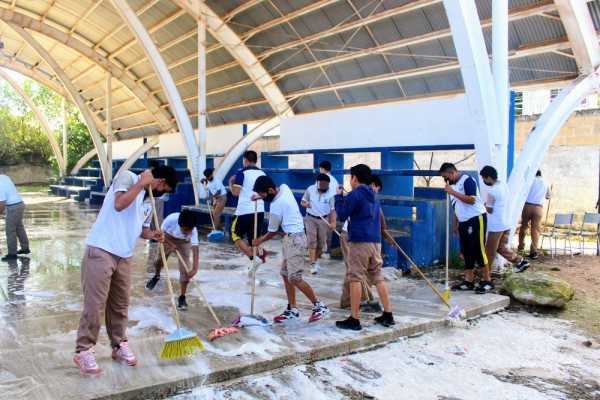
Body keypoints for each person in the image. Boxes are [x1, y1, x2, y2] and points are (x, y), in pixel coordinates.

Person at [73, 165, 177, 375]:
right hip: (101, 249)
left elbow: (142, 230)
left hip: (124, 255)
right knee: (95, 304)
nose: (160, 193)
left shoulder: (148, 200)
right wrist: (141, 184)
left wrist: (153, 235)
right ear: (161, 181)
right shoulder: (128, 177)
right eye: (163, 189)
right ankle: (83, 350)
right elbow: (119, 204)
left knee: (120, 305)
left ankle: (119, 345)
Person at [252, 175, 329, 323]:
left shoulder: (276, 205)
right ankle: (292, 309)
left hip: (296, 240)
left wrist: (258, 241)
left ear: (270, 190)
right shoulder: (284, 188)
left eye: (263, 194)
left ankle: (319, 306)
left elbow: (272, 231)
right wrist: (258, 197)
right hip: (291, 238)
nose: (262, 197)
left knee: (294, 277)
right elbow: (275, 192)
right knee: (285, 274)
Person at [334, 164, 394, 331]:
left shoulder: (355, 194)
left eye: (350, 177)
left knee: (355, 277)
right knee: (377, 276)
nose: (350, 181)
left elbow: (342, 214)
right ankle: (388, 313)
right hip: (375, 241)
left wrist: (338, 198)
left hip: (360, 241)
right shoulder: (374, 195)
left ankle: (354, 318)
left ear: (355, 178)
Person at [440, 162, 493, 294]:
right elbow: (456, 206)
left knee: (478, 249)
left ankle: (487, 280)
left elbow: (471, 200)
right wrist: (455, 224)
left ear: (452, 172)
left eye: (446, 176)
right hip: (463, 221)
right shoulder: (451, 186)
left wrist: (452, 192)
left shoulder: (467, 180)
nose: (446, 180)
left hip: (476, 218)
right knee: (466, 251)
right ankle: (469, 281)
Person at [145, 209, 200, 310]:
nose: (188, 232)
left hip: (184, 243)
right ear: (179, 225)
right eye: (185, 230)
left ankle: (182, 297)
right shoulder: (171, 220)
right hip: (167, 238)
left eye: (190, 230)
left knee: (186, 271)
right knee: (159, 261)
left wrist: (195, 269)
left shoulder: (193, 230)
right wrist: (170, 244)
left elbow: (195, 249)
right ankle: (156, 276)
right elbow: (160, 235)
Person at [479, 166, 530, 274]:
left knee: (489, 252)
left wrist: (483, 205)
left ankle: (485, 276)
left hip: (496, 226)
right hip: (506, 223)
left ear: (488, 177)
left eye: (483, 179)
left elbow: (490, 209)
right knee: (501, 248)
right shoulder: (503, 185)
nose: (483, 181)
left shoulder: (492, 191)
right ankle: (520, 261)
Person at [229, 151, 267, 264]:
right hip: (259, 210)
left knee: (235, 235)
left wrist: (231, 183)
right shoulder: (263, 174)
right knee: (253, 240)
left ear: (245, 160)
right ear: (256, 160)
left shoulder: (242, 173)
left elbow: (235, 193)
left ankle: (254, 259)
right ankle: (259, 255)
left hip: (244, 211)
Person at [301, 173, 336, 274]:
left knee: (321, 244)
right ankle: (312, 264)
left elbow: (332, 210)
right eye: (322, 184)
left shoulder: (331, 194)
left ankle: (315, 260)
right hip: (310, 218)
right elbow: (302, 202)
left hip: (323, 220)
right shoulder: (310, 189)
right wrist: (306, 204)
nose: (324, 186)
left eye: (326, 185)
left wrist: (333, 222)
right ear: (318, 183)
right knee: (312, 241)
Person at [518, 170, 551, 259]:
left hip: (527, 205)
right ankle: (534, 251)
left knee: (524, 227)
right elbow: (548, 196)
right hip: (538, 208)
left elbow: (522, 193)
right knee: (535, 230)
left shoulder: (529, 180)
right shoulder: (546, 182)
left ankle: (521, 247)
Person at [0, 174, 30, 261]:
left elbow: (2, 204)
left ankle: (12, 254)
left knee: (10, 230)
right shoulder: (4, 177)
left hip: (13, 207)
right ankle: (25, 248)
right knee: (19, 228)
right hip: (20, 204)